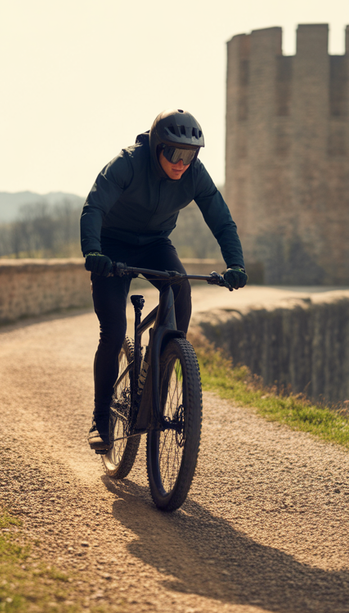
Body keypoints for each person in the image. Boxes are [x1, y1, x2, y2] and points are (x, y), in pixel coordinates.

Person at [80, 109, 248, 451]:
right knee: (112, 332)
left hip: (155, 244)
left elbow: (222, 220)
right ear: (157, 146)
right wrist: (94, 252)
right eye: (174, 152)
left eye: (190, 154)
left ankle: (163, 364)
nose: (181, 162)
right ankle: (100, 420)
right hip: (113, 246)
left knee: (181, 290)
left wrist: (235, 263)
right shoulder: (128, 163)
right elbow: (94, 207)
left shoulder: (194, 175)